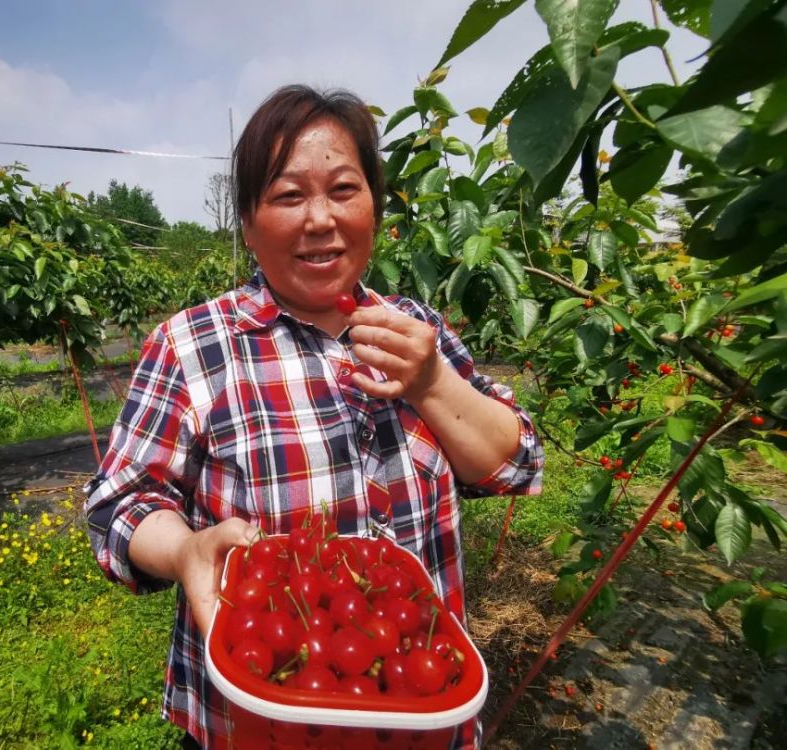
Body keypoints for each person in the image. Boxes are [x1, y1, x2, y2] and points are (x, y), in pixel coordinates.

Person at [84, 84, 543, 750]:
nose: (320, 219)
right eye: (288, 195)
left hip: (415, 711)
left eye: (344, 190)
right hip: (260, 720)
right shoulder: (196, 345)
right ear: (247, 222)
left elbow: (515, 459)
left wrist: (431, 382)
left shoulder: (416, 331)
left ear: (375, 210)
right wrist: (186, 552)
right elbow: (119, 505)